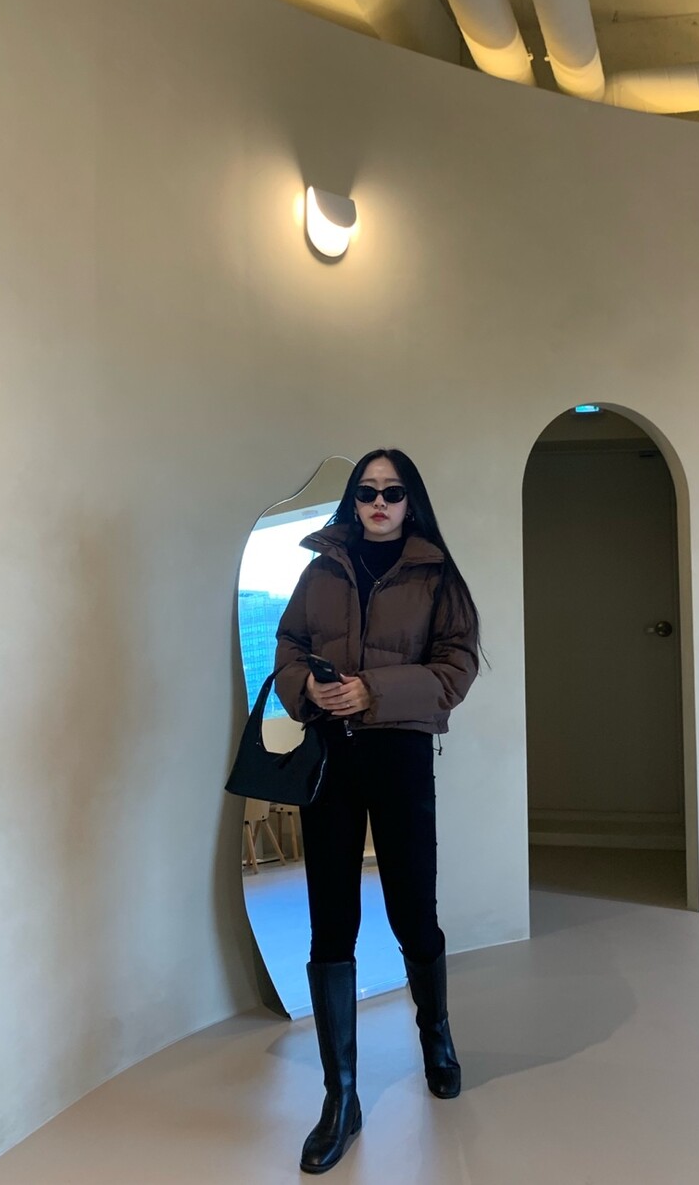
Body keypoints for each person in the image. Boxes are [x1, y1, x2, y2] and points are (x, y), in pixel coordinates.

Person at [274, 448, 481, 1174]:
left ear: (410, 500)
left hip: (399, 756)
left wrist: (374, 691)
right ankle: (342, 1097)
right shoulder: (320, 570)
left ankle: (436, 1035)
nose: (379, 503)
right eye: (367, 491)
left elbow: (457, 668)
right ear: (354, 499)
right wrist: (308, 688)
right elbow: (288, 646)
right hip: (329, 758)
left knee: (412, 912)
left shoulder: (438, 576)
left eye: (393, 492)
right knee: (330, 920)